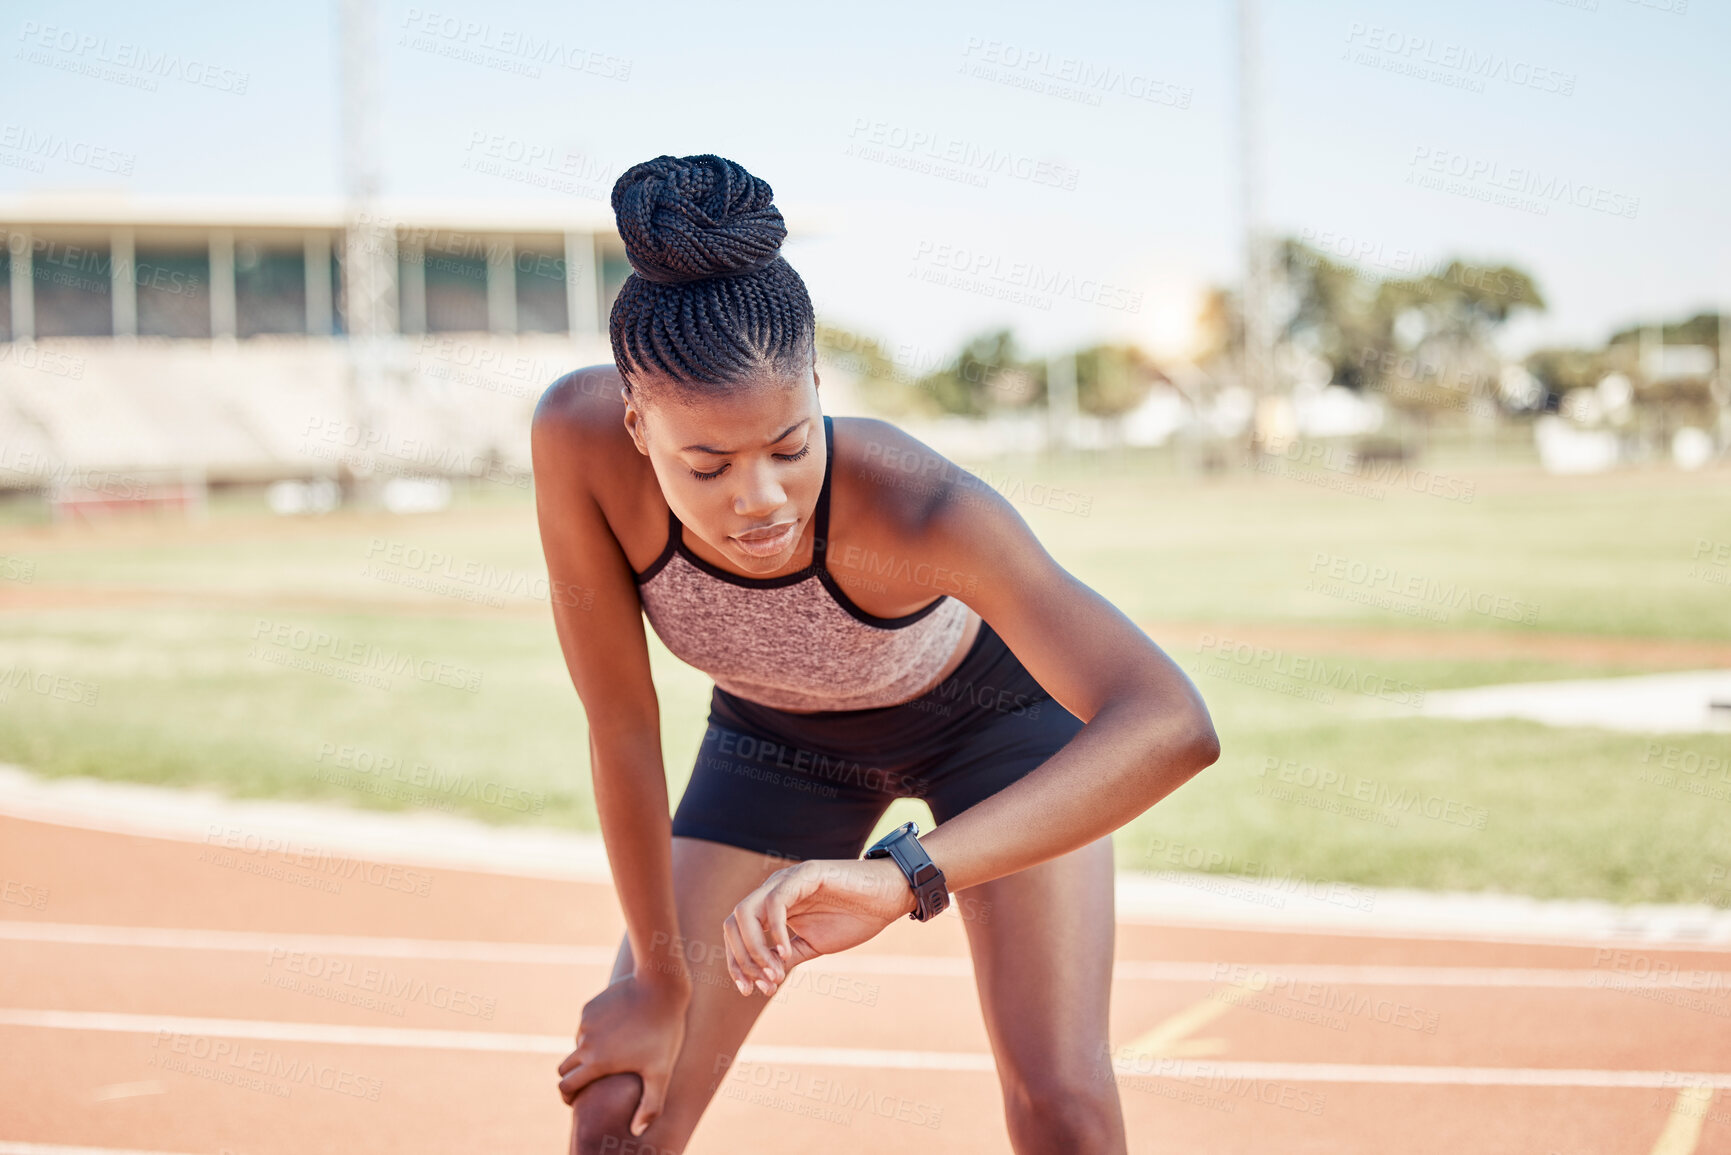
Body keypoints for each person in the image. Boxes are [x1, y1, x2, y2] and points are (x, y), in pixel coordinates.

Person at [531, 152, 1220, 1155]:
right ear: (638, 427)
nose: (760, 498)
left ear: (816, 387)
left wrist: (904, 876)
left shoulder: (921, 506)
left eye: (790, 443)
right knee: (617, 1110)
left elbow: (1172, 725)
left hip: (993, 727)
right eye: (708, 465)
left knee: (1060, 1101)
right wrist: (656, 978)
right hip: (771, 739)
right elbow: (623, 724)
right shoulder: (576, 439)